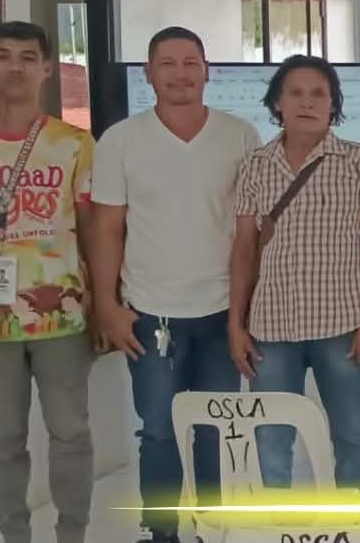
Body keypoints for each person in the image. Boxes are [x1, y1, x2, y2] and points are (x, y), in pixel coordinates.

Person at [91, 27, 260, 543]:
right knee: (159, 431)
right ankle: (160, 531)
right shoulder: (121, 140)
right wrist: (107, 306)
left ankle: (210, 528)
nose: (180, 74)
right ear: (149, 74)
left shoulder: (239, 136)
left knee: (213, 428)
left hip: (221, 312)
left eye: (190, 63)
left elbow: (252, 231)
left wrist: (246, 311)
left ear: (207, 71)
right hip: (150, 313)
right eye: (167, 64)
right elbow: (107, 227)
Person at [0, 20, 95, 543]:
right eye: (3, 56)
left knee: (71, 434)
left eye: (29, 57)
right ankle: (14, 535)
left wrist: (101, 306)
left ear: (47, 68)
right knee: (1, 442)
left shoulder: (74, 143)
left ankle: (72, 534)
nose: (16, 67)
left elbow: (92, 230)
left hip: (64, 318)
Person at [228, 55, 360, 490]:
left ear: (333, 104)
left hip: (344, 325)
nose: (307, 102)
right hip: (271, 327)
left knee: (355, 435)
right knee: (270, 439)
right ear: (277, 102)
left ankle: (351, 518)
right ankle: (279, 521)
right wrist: (235, 324)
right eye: (295, 93)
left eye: (319, 93)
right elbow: (244, 249)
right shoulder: (255, 165)